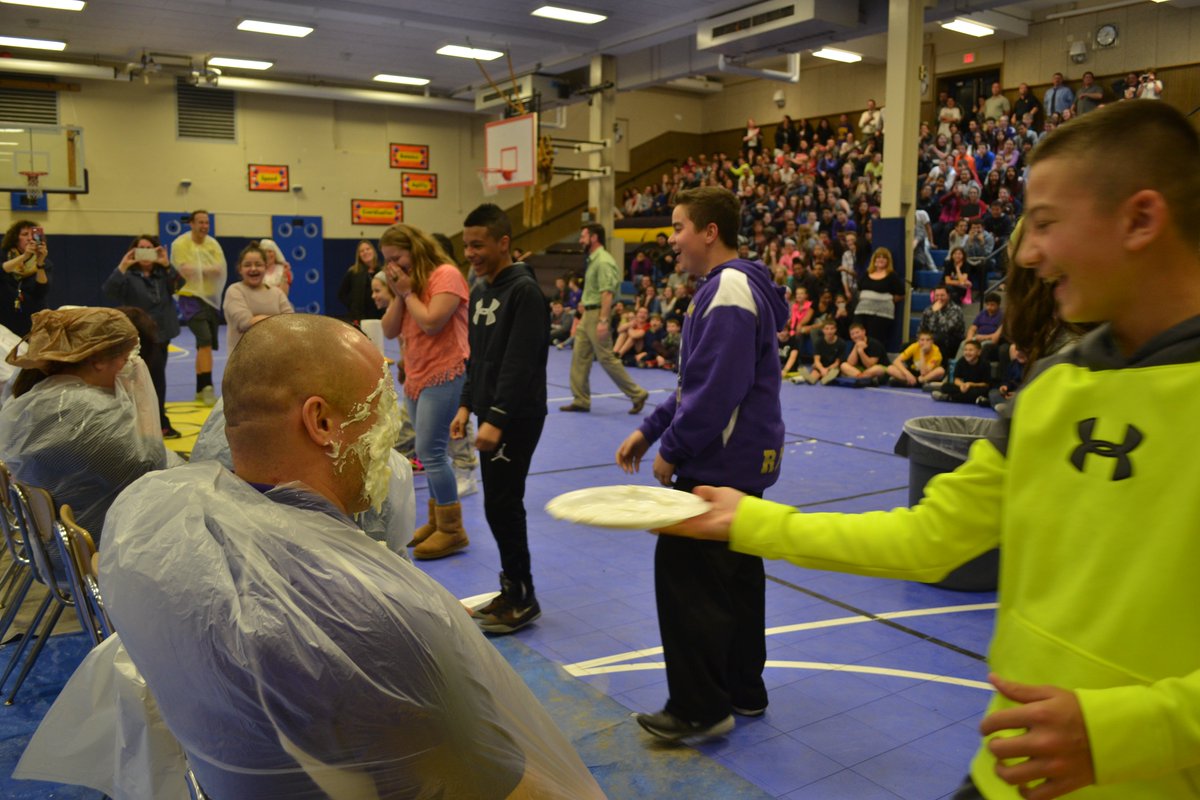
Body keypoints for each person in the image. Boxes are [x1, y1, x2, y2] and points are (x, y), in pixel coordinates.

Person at [656, 100, 1200, 800]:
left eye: (1046, 223)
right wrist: (749, 522)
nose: (1029, 252)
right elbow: (932, 537)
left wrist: (1122, 732)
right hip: (1007, 777)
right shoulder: (1053, 388)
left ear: (1141, 219)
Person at [99, 313, 604, 799]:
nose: (392, 426)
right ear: (321, 421)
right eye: (380, 406)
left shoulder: (157, 533)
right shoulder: (374, 615)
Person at [615, 186, 788, 743]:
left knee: (686, 577)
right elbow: (695, 385)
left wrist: (673, 450)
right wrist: (649, 429)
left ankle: (698, 707)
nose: (673, 240)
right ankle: (742, 689)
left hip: (721, 463)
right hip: (741, 462)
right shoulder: (727, 288)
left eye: (679, 227)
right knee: (737, 579)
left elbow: (716, 392)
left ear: (710, 231)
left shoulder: (731, 290)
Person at [453, 204, 549, 634]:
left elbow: (519, 363)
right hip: (491, 414)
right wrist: (466, 405)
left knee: (504, 504)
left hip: (517, 416)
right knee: (496, 504)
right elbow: (479, 358)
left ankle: (522, 597)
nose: (470, 252)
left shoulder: (524, 292)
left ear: (503, 242)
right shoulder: (480, 291)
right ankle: (512, 589)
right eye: (466, 244)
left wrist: (496, 418)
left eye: (479, 244)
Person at [0, 307, 167, 535]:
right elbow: (151, 469)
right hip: (93, 550)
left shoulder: (42, 396)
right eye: (125, 359)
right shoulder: (82, 412)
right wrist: (140, 393)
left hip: (55, 542)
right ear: (98, 360)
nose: (127, 368)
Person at [379, 223, 471, 560]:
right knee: (429, 452)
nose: (392, 266)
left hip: (445, 373)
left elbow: (432, 321)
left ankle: (452, 529)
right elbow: (390, 328)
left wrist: (406, 293)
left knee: (430, 452)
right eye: (387, 260)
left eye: (397, 257)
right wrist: (399, 293)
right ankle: (436, 520)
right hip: (417, 376)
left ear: (414, 249)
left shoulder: (446, 275)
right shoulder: (408, 285)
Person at [560, 223, 649, 415]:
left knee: (606, 357)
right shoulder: (593, 260)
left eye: (583, 236)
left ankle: (637, 393)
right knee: (579, 356)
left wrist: (603, 321)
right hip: (588, 314)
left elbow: (607, 293)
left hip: (597, 314)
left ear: (593, 238)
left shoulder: (603, 261)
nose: (580, 240)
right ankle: (581, 399)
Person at [103, 234, 186, 438]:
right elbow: (109, 291)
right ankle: (132, 422)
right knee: (131, 379)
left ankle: (160, 423)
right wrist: (123, 265)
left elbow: (179, 285)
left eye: (150, 248)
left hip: (161, 335)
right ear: (134, 252)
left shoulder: (163, 274)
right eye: (141, 248)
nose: (146, 252)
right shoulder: (127, 276)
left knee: (157, 380)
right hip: (135, 336)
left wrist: (167, 265)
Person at [170, 210, 226, 406]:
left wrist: (198, 269)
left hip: (209, 299)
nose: (204, 226)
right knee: (205, 341)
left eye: (207, 223)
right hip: (190, 299)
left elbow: (219, 270)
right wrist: (206, 270)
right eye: (200, 222)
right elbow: (184, 270)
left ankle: (199, 389)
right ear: (191, 224)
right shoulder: (180, 244)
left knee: (204, 345)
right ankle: (208, 387)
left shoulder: (213, 244)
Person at [223, 242, 295, 352]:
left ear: (266, 267)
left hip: (275, 358)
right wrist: (278, 321)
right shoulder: (234, 291)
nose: (253, 269)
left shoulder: (277, 293)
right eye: (247, 265)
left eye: (258, 264)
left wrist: (257, 318)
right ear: (240, 269)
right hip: (242, 361)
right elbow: (245, 323)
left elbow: (291, 322)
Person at [1, 220, 50, 337]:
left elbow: (42, 290)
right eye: (24, 234)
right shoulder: (3, 256)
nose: (29, 238)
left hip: (31, 321)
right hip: (4, 318)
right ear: (15, 239)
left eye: (33, 234)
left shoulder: (44, 262)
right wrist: (24, 257)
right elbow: (2, 269)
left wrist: (40, 264)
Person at [853, 247, 905, 348]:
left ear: (888, 261)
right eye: (878, 257)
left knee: (874, 339)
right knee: (858, 334)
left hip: (881, 313)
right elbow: (859, 288)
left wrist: (884, 301)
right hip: (862, 310)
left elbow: (901, 294)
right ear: (874, 259)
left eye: (884, 258)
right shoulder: (867, 273)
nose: (880, 259)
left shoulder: (892, 276)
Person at [338, 240, 384, 323]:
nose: (365, 252)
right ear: (359, 255)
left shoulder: (382, 271)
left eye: (368, 249)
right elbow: (342, 294)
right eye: (362, 251)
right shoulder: (353, 272)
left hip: (380, 316)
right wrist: (354, 306)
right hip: (360, 318)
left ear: (373, 251)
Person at [933, 339, 991, 405]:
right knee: (946, 386)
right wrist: (961, 385)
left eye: (971, 350)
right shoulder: (961, 361)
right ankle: (975, 400)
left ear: (979, 352)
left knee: (984, 391)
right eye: (965, 350)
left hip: (975, 387)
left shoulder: (984, 363)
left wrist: (971, 384)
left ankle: (949, 397)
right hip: (964, 387)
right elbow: (956, 379)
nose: (967, 352)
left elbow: (985, 384)